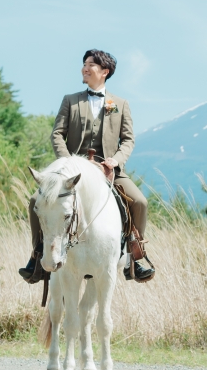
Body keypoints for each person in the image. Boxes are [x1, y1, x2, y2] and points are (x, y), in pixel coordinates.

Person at [19, 49, 154, 282]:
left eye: (91, 64)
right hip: (72, 171)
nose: (84, 67)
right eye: (84, 63)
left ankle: (135, 257)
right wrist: (67, 161)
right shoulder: (70, 100)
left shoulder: (120, 104)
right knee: (34, 200)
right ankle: (37, 255)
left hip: (107, 169)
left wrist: (116, 160)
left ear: (104, 71)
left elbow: (128, 139)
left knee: (140, 201)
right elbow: (57, 134)